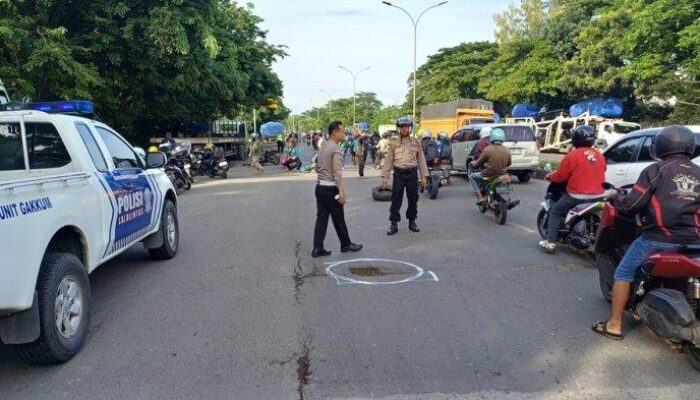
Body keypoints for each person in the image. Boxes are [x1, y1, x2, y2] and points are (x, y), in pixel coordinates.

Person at [592, 125, 700, 340]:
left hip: (658, 239)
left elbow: (633, 205)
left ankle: (614, 325)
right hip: (695, 241)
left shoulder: (655, 170)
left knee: (623, 273)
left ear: (661, 145)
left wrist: (617, 198)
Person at [539, 125, 606, 253]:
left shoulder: (572, 156)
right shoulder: (600, 155)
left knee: (556, 212)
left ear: (575, 139)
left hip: (577, 195)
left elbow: (560, 176)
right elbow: (603, 170)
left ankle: (551, 242)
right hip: (598, 195)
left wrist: (550, 176)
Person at [312, 120, 363, 257]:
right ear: (335, 133)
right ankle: (346, 244)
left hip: (320, 187)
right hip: (330, 189)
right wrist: (341, 190)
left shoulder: (323, 146)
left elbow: (316, 166)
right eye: (342, 131)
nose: (343, 133)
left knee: (321, 218)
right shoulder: (335, 148)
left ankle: (317, 248)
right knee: (339, 218)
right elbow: (337, 172)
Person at [381, 116, 429, 235]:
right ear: (398, 129)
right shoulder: (394, 143)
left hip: (412, 173)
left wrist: (423, 177)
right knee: (396, 199)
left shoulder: (416, 142)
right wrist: (385, 177)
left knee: (413, 199)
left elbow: (421, 160)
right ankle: (393, 223)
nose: (404, 129)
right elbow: (389, 160)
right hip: (399, 173)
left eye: (406, 127)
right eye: (401, 127)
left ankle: (412, 222)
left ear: (410, 128)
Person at [469, 128, 512, 204]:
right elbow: (509, 164)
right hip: (502, 173)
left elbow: (478, 163)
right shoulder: (507, 150)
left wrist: (473, 163)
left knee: (472, 176)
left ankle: (480, 198)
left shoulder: (487, 149)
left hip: (488, 174)